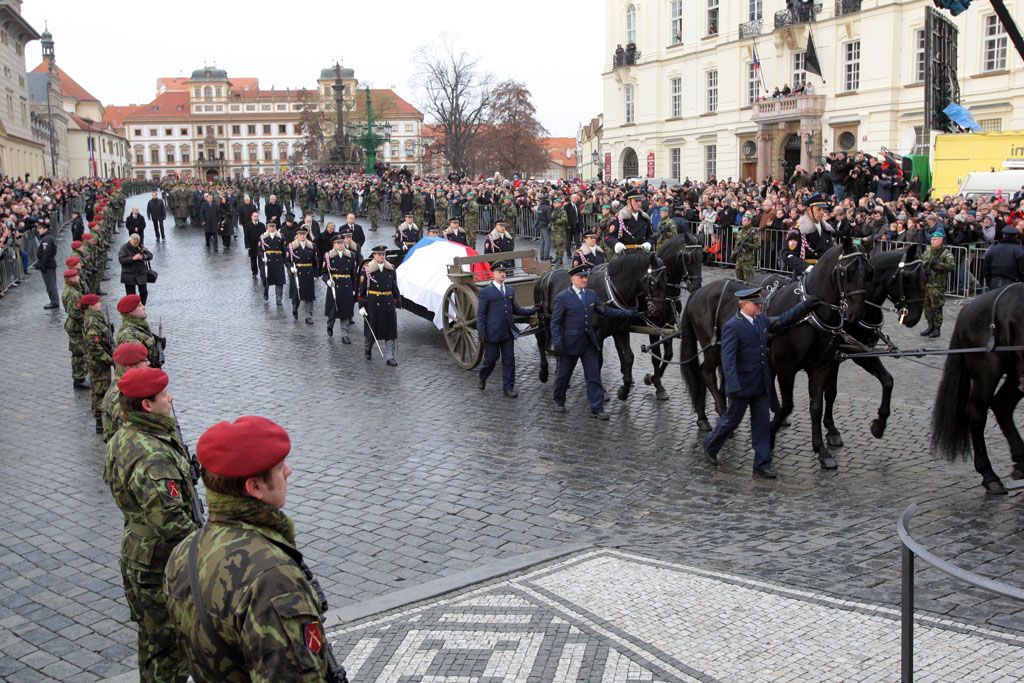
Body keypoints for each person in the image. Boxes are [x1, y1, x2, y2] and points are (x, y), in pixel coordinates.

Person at [163, 416, 347, 682]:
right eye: (280, 467)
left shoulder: (185, 551)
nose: (288, 472)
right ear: (255, 487)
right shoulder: (273, 577)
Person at [103, 366, 200, 683]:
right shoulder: (153, 455)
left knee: (152, 644)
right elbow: (171, 522)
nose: (170, 399)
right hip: (159, 563)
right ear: (146, 405)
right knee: (171, 651)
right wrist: (204, 550)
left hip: (137, 552)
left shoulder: (123, 437)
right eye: (163, 396)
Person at [702, 288, 814, 478]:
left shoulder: (761, 320)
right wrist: (733, 385)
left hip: (761, 384)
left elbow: (782, 320)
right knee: (731, 421)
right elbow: (727, 361)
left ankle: (762, 463)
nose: (761, 306)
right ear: (744, 305)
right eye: (756, 304)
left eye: (761, 303)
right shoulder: (732, 326)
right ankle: (710, 445)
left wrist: (805, 306)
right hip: (741, 386)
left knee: (762, 425)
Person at [550, 264, 634, 420]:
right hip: (569, 344)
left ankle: (597, 408)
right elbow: (555, 323)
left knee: (593, 376)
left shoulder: (591, 295)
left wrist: (627, 312)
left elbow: (605, 310)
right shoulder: (563, 297)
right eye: (581, 277)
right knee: (563, 375)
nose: (584, 279)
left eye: (586, 277)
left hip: (588, 342)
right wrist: (558, 343)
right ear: (572, 278)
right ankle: (559, 399)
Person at [477, 264, 535, 398]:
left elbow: (516, 309)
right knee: (491, 359)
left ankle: (508, 388)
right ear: (493, 274)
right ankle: (483, 376)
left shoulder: (509, 290)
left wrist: (532, 310)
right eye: (499, 272)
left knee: (509, 360)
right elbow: (481, 314)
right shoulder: (486, 292)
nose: (502, 274)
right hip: (492, 332)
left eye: (504, 272)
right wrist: (481, 332)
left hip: (508, 332)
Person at [357, 245, 401, 366]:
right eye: (379, 254)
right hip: (373, 303)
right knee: (372, 330)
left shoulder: (391, 269)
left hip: (387, 302)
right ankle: (368, 348)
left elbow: (394, 287)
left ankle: (390, 356)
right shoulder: (367, 270)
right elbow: (361, 289)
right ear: (374, 255)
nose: (382, 256)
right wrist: (361, 306)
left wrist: (397, 303)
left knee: (390, 330)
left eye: (383, 254)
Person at [101, 342, 150, 442]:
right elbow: (130, 438)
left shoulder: (119, 385)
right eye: (144, 360)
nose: (148, 363)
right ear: (130, 367)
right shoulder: (123, 396)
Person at [82, 292, 113, 433]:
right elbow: (94, 346)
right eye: (97, 303)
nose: (99, 304)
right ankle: (100, 421)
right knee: (100, 391)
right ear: (91, 306)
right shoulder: (92, 321)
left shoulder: (96, 318)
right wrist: (109, 359)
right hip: (98, 363)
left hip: (99, 362)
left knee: (100, 390)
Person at [323, 232, 359, 342]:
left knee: (345, 311)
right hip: (334, 286)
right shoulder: (328, 256)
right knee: (333, 311)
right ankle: (330, 325)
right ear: (334, 244)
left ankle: (345, 335)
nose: (340, 245)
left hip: (346, 286)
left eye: (342, 243)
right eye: (338, 243)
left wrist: (354, 288)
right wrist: (328, 281)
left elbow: (353, 274)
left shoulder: (351, 256)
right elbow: (324, 273)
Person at [920, 231, 955, 338]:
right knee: (927, 307)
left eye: (935, 240)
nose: (932, 241)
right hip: (927, 283)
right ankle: (930, 325)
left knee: (937, 307)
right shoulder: (928, 251)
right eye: (932, 239)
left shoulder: (945, 253)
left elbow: (951, 267)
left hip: (938, 285)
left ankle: (937, 328)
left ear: (941, 241)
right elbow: (921, 261)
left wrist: (937, 264)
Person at [115, 294, 162, 368]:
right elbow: (137, 365)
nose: (144, 307)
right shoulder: (128, 335)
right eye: (140, 306)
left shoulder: (139, 327)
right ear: (132, 312)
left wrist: (157, 347)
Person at [61, 268, 88, 389]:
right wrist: (86, 317)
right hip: (75, 327)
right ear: (71, 279)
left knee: (79, 352)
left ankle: (80, 376)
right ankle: (79, 378)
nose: (79, 278)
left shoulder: (73, 289)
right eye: (76, 276)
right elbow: (75, 313)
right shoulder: (73, 293)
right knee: (78, 353)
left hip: (74, 325)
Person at [288, 226, 318, 324]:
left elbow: (315, 261)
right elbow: (287, 261)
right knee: (296, 295)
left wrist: (315, 274)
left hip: (308, 272)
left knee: (309, 296)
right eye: (300, 234)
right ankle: (294, 308)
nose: (302, 236)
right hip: (297, 272)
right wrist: (290, 268)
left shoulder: (311, 246)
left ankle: (308, 316)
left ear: (306, 235)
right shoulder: (292, 246)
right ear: (297, 235)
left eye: (304, 234)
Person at [982, 225, 1024, 290]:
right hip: (1012, 285)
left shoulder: (993, 249)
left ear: (1003, 235)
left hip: (995, 282)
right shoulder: (1020, 250)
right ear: (1016, 236)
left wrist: (989, 282)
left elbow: (986, 269)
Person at [118, 233, 154, 304]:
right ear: (130, 240)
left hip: (140, 273)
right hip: (129, 274)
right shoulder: (124, 248)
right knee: (131, 295)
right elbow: (121, 260)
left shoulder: (140, 246)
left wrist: (143, 257)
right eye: (134, 243)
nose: (136, 244)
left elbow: (150, 255)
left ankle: (142, 306)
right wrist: (133, 258)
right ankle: (133, 308)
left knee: (144, 292)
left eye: (137, 243)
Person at [796, 193, 834, 259]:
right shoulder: (800, 229)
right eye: (818, 209)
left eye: (823, 209)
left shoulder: (826, 228)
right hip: (809, 267)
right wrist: (807, 267)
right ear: (809, 210)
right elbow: (788, 255)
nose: (822, 212)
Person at [259, 220, 287, 305]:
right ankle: (266, 292)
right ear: (267, 227)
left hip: (278, 261)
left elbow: (283, 249)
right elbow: (259, 249)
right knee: (267, 279)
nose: (272, 228)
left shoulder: (281, 236)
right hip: (268, 261)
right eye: (270, 226)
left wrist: (284, 260)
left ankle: (279, 299)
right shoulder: (263, 237)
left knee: (279, 281)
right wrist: (262, 258)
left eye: (273, 226)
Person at [34, 220, 59, 309]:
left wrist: (43, 265)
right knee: (49, 284)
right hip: (48, 264)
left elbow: (47, 253)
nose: (38, 230)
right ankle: (53, 300)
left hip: (48, 265)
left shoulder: (47, 239)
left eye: (40, 228)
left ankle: (54, 302)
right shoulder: (46, 237)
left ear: (45, 229)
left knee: (51, 284)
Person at [244, 210, 266, 279]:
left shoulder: (262, 225)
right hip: (252, 245)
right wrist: (247, 245)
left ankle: (262, 273)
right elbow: (246, 236)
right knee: (253, 260)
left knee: (261, 260)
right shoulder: (247, 225)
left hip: (260, 246)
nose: (256, 217)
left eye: (257, 216)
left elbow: (264, 235)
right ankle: (254, 272)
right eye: (254, 216)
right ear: (251, 217)